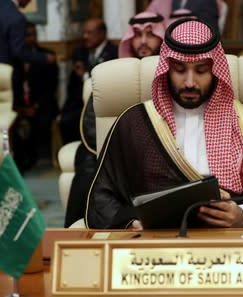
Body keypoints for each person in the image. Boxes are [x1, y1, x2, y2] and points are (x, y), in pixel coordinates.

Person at [85, 18, 243, 230]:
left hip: (229, 240)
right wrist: (132, 223)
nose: (189, 82)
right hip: (156, 241)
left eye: (201, 70)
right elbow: (102, 196)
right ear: (166, 68)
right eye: (179, 69)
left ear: (215, 69)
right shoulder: (135, 123)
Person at [64, 13, 165, 227]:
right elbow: (91, 128)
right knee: (87, 172)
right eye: (137, 35)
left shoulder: (173, 75)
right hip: (108, 153)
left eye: (150, 35)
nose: (144, 42)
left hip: (160, 155)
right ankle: (74, 240)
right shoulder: (112, 73)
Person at [0, 0, 56, 103]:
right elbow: (18, 51)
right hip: (1, 74)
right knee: (4, 109)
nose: (30, 2)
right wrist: (44, 58)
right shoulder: (17, 17)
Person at [59, 18, 117, 144]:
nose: (85, 36)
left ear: (102, 34)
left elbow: (107, 81)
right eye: (84, 32)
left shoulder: (113, 52)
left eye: (90, 33)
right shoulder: (79, 51)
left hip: (101, 103)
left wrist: (84, 75)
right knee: (66, 121)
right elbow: (73, 84)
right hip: (78, 103)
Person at [12, 22, 59, 172]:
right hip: (18, 105)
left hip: (40, 104)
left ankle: (34, 158)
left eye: (34, 34)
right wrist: (18, 108)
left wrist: (35, 107)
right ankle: (19, 162)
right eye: (27, 35)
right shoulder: (13, 58)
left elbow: (50, 88)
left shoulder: (46, 56)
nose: (31, 38)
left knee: (40, 119)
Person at [146, 0, 222, 33]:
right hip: (174, 42)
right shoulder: (175, 1)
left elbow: (210, 29)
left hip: (196, 46)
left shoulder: (206, 1)